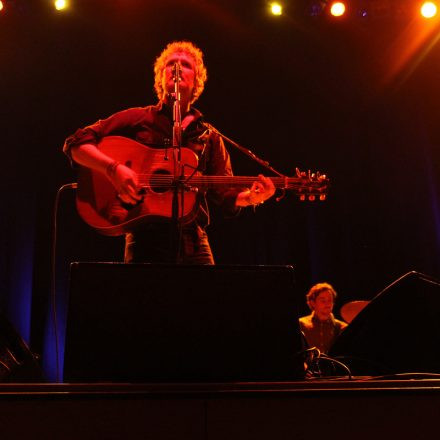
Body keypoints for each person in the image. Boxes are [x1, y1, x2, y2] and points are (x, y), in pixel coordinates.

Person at [63, 41, 275, 264]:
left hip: (194, 242)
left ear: (197, 81)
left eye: (185, 64)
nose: (177, 68)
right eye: (171, 63)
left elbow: (225, 193)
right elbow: (76, 143)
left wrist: (252, 197)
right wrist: (114, 169)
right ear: (160, 77)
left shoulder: (209, 136)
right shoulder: (139, 119)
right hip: (144, 240)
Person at [299, 282, 347, 354]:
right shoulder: (301, 324)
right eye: (323, 300)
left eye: (330, 300)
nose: (327, 303)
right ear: (312, 302)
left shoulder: (342, 327)